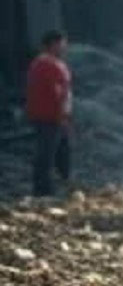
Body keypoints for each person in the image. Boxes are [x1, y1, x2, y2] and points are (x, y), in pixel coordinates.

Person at [26, 30, 72, 198]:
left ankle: (57, 187)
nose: (64, 47)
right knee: (47, 155)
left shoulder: (44, 64)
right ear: (53, 44)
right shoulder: (48, 64)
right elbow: (57, 92)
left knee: (59, 153)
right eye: (62, 43)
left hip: (51, 116)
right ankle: (44, 191)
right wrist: (62, 116)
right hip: (50, 117)